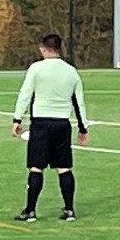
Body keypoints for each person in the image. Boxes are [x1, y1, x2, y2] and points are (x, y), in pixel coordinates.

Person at [10, 34, 88, 223]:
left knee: (36, 167)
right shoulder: (71, 71)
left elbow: (25, 94)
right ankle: (69, 210)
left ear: (44, 48)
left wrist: (17, 118)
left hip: (41, 124)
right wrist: (82, 128)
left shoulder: (36, 68)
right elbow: (78, 102)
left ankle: (30, 210)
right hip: (62, 124)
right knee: (64, 168)